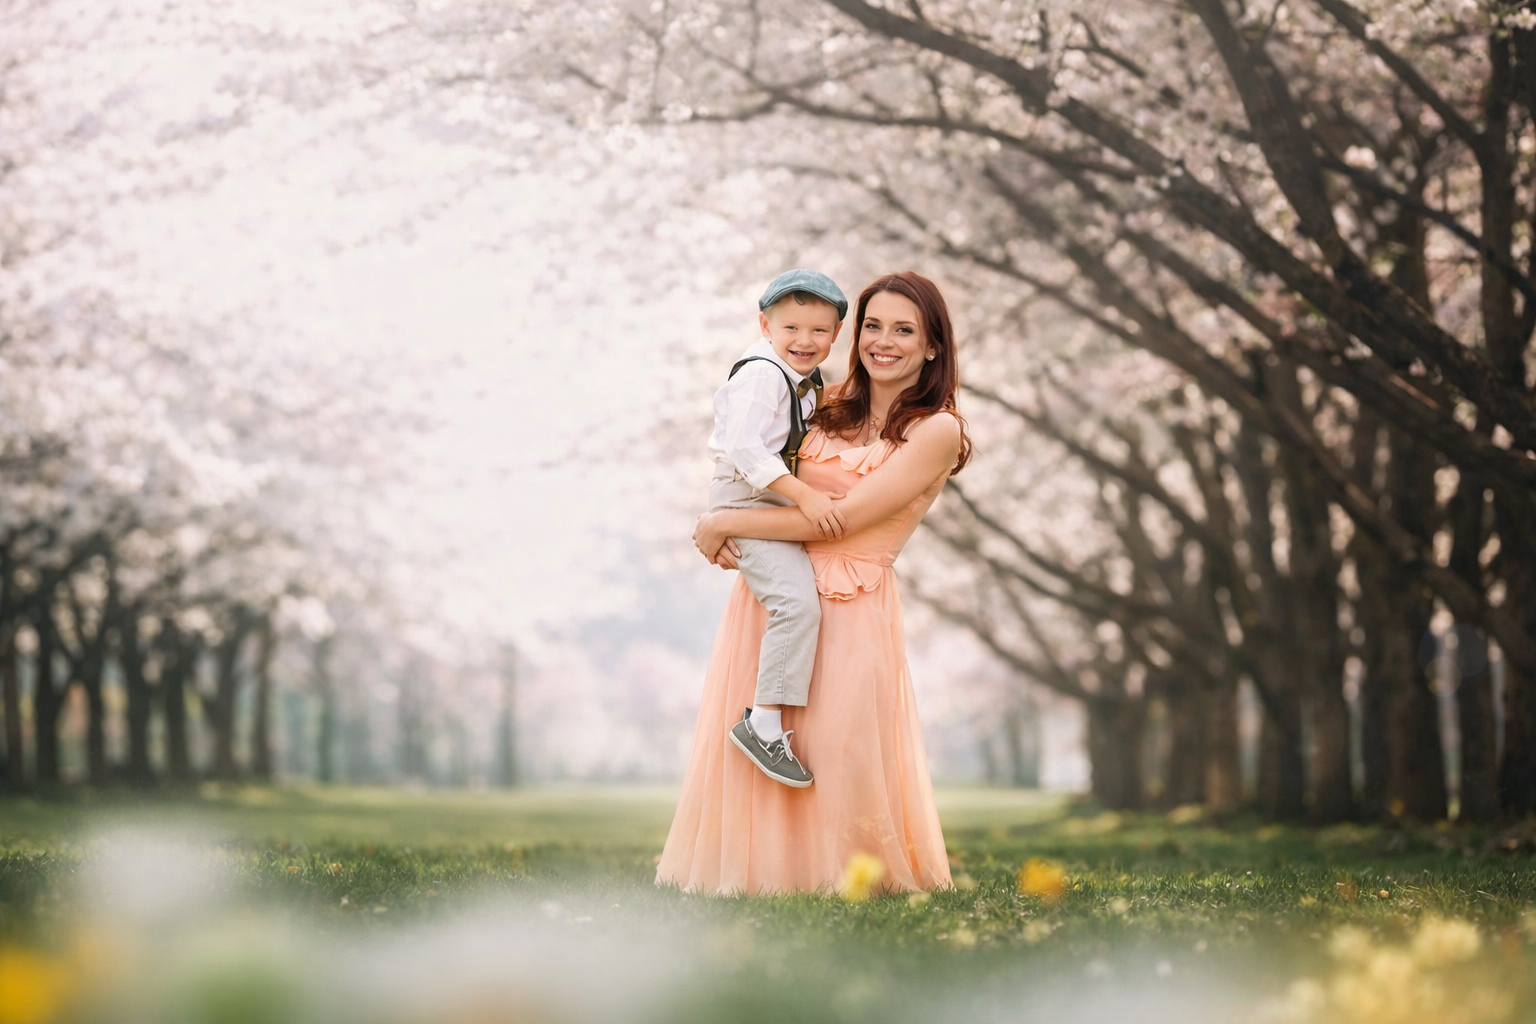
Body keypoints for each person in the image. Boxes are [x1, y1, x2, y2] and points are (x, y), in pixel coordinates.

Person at [658, 271, 973, 896]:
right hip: (775, 598)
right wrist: (736, 523)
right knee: (765, 747)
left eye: (904, 330)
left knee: (834, 751)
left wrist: (721, 523)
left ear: (933, 345)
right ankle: (763, 877)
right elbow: (752, 463)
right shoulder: (822, 403)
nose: (883, 342)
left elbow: (845, 521)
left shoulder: (936, 430)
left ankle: (846, 878)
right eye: (872, 326)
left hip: (851, 602)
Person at [707, 268, 848, 789]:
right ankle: (763, 724)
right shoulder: (763, 374)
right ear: (765, 325)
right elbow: (745, 449)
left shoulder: (801, 381)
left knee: (799, 599)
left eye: (818, 331)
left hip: (768, 493)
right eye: (791, 328)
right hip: (748, 493)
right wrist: (805, 494)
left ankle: (768, 719)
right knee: (794, 603)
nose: (804, 342)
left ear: (836, 335)